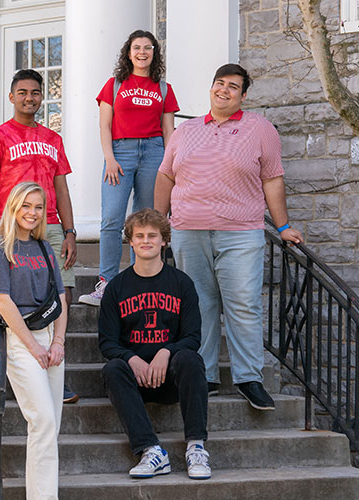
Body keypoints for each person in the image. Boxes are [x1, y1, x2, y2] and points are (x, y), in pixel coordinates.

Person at [154, 63, 304, 411]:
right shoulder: (185, 130)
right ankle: (203, 376)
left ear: (243, 95)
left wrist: (282, 227)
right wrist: (159, 223)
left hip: (240, 232)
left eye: (233, 86)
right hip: (188, 230)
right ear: (211, 88)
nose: (224, 90)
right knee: (198, 305)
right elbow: (165, 176)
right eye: (219, 83)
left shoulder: (260, 129)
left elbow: (272, 179)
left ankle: (248, 377)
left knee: (243, 303)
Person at [0, 69, 78, 403]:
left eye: (35, 93)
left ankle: (55, 373)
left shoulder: (53, 139)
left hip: (48, 226)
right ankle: (17, 373)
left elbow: (61, 189)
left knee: (60, 295)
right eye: (22, 92)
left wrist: (69, 231)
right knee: (15, 299)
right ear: (11, 97)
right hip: (13, 228)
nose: (29, 98)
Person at [99, 208, 211, 480]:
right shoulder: (116, 287)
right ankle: (151, 451)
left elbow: (193, 337)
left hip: (171, 378)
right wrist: (131, 358)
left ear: (164, 241)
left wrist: (166, 352)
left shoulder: (181, 283)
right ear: (131, 241)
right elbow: (107, 342)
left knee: (190, 359)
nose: (146, 240)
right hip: (135, 381)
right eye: (139, 236)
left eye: (153, 235)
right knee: (113, 369)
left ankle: (196, 447)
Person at [79, 30, 179, 306]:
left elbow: (169, 129)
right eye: (137, 47)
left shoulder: (163, 88)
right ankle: (107, 283)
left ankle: (141, 282)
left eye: (148, 47)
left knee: (147, 220)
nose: (142, 52)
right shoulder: (114, 85)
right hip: (120, 153)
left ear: (154, 53)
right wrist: (110, 158)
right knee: (111, 219)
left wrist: (169, 163)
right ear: (128, 52)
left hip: (154, 153)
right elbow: (104, 125)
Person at [0, 182, 66, 500]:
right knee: (42, 419)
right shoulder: (0, 247)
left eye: (39, 207)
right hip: (21, 340)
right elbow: (2, 301)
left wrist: (57, 342)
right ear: (14, 206)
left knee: (49, 428)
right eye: (26, 205)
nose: (32, 213)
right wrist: (33, 346)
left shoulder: (44, 247)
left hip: (50, 339)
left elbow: (61, 298)